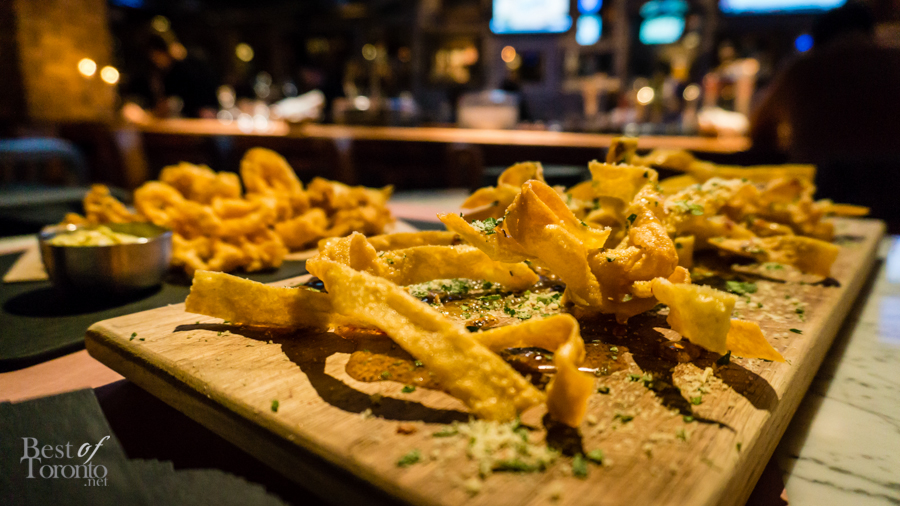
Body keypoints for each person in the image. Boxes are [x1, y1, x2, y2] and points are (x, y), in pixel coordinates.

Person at [749, 2, 900, 227]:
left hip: (819, 199)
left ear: (819, 37)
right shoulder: (895, 62)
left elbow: (759, 128)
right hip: (894, 198)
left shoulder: (802, 69)